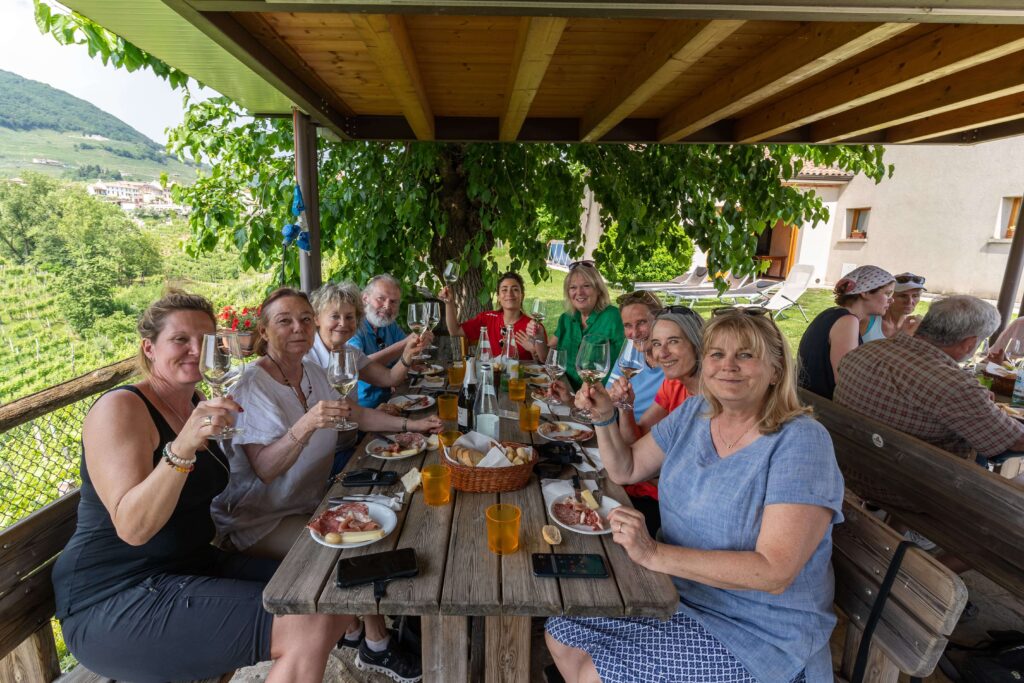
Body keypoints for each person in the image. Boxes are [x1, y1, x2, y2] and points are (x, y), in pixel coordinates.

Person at [50, 291, 350, 683]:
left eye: (206, 341)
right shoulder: (121, 409)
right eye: (180, 340)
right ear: (149, 348)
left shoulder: (196, 403)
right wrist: (182, 448)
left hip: (190, 568)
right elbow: (132, 528)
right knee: (304, 624)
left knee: (335, 588)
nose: (195, 350)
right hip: (115, 598)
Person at [546, 308, 843, 683]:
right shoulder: (696, 412)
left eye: (746, 354)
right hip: (675, 592)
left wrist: (653, 552)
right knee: (562, 632)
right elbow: (627, 468)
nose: (728, 366)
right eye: (717, 354)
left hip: (757, 629)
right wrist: (605, 417)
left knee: (599, 673)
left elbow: (774, 572)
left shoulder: (800, 441)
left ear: (776, 369)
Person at [211, 288, 435, 682]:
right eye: (284, 321)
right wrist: (308, 422)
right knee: (349, 550)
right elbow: (264, 469)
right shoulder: (252, 385)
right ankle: (375, 644)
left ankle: (355, 630)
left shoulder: (313, 371)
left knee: (380, 519)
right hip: (258, 519)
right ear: (264, 330)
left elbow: (353, 415)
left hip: (308, 502)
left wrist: (411, 425)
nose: (298, 328)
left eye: (304, 319)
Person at [836, 295, 1024, 462]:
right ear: (970, 344)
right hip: (917, 491)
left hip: (850, 465)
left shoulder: (865, 351)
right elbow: (1014, 441)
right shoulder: (956, 387)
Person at [798, 265, 895, 399]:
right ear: (865, 292)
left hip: (808, 398)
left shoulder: (831, 314)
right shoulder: (847, 321)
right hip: (823, 408)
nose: (892, 300)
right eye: (887, 293)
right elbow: (846, 381)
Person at [536, 260, 624, 390]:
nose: (579, 292)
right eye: (573, 287)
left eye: (586, 286)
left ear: (598, 290)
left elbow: (627, 362)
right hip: (566, 391)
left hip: (598, 397)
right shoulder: (566, 319)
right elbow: (547, 358)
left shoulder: (613, 317)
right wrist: (539, 337)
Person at [348, 274, 433, 408]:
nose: (387, 306)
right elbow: (358, 364)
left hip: (394, 399)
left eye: (393, 302)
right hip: (365, 408)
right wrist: (405, 343)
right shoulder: (353, 327)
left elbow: (407, 355)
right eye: (381, 298)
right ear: (365, 298)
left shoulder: (389, 324)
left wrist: (418, 347)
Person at [439, 271, 544, 360]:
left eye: (515, 289)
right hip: (491, 378)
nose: (509, 293)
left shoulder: (533, 326)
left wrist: (533, 350)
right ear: (498, 297)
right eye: (504, 289)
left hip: (520, 382)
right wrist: (449, 303)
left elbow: (543, 362)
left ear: (522, 295)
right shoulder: (487, 318)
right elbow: (454, 331)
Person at [603, 291, 666, 419]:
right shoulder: (631, 346)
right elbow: (609, 395)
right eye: (627, 326)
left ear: (660, 319)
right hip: (624, 425)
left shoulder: (673, 361)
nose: (635, 333)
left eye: (642, 322)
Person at [861, 272, 926, 342]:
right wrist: (903, 336)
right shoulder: (867, 321)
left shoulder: (914, 327)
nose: (910, 301)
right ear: (889, 297)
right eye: (903, 296)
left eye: (915, 296)